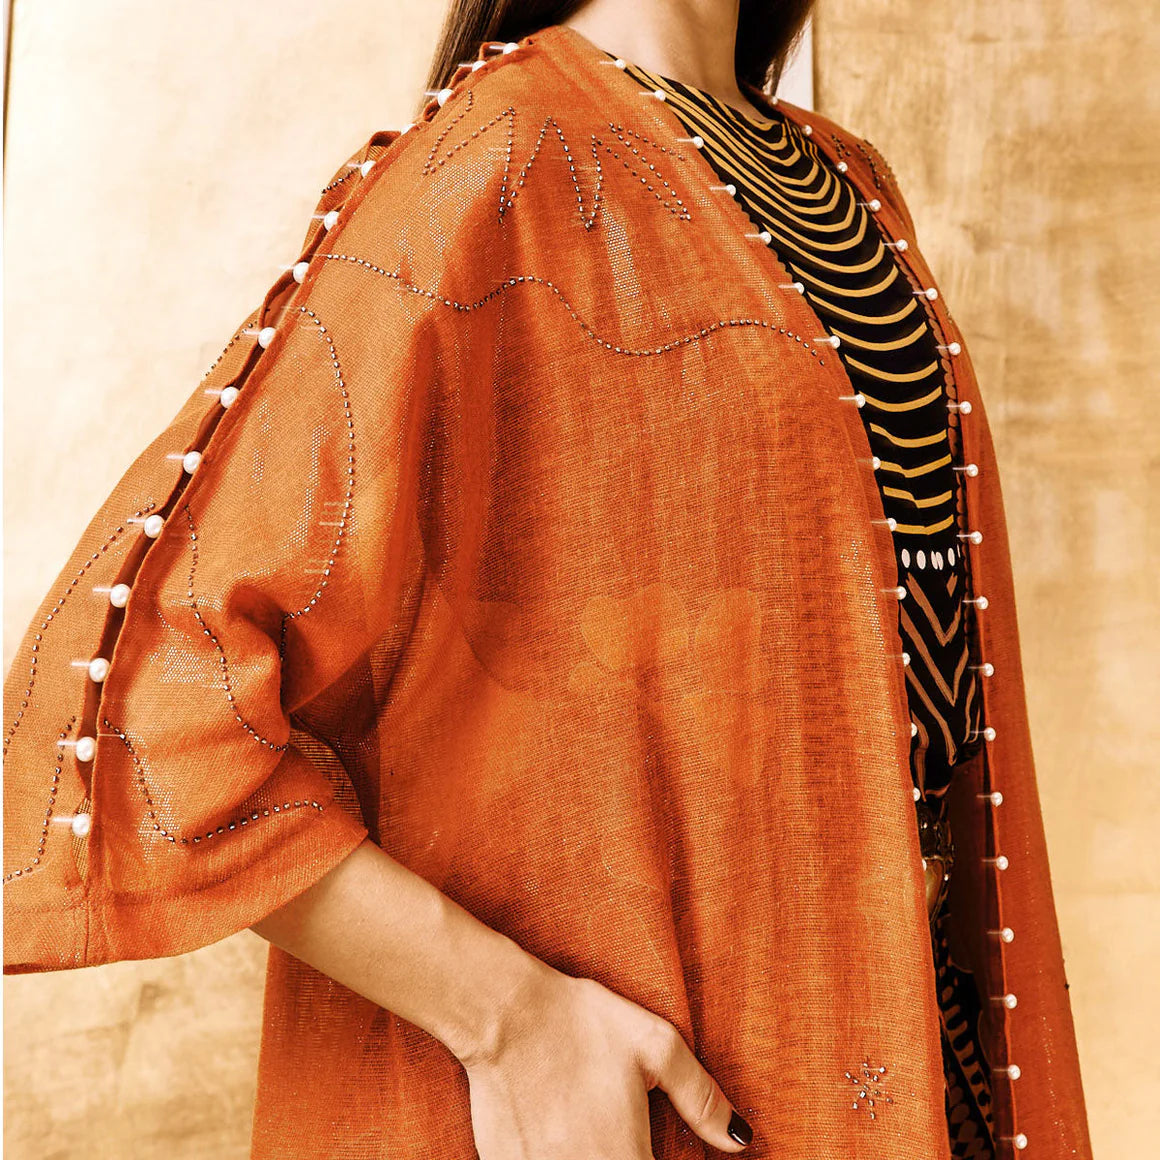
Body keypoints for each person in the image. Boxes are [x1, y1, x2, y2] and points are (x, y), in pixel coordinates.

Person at [3, 3, 1094, 1159]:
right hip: (664, 1094)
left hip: (909, 1058)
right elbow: (143, 705)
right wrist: (512, 1018)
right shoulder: (502, 159)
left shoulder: (845, 180)